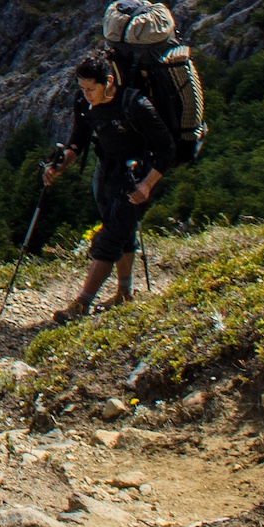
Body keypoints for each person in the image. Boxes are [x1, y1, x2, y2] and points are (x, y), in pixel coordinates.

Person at [41, 49, 177, 323]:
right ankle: (124, 294)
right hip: (105, 173)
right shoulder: (84, 103)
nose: (87, 94)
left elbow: (167, 148)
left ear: (109, 82)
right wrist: (58, 166)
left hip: (136, 174)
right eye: (82, 88)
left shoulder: (135, 104)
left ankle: (82, 303)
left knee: (110, 236)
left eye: (92, 88)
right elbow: (77, 140)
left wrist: (147, 186)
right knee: (122, 233)